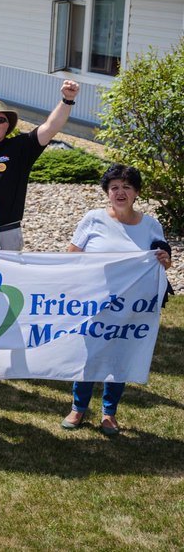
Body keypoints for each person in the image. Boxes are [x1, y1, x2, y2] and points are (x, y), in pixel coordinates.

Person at [61, 164, 171, 436]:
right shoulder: (93, 219)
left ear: (137, 192)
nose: (120, 192)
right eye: (114, 188)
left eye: (127, 187)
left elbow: (160, 262)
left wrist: (165, 260)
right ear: (107, 193)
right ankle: (78, 408)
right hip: (94, 303)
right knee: (89, 355)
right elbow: (72, 254)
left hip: (132, 307)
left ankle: (109, 413)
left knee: (120, 356)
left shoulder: (151, 225)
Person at [0, 84, 79, 251]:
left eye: (0, 120)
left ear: (7, 125)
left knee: (8, 275)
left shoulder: (21, 147)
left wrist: (67, 100)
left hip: (7, 231)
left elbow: (50, 127)